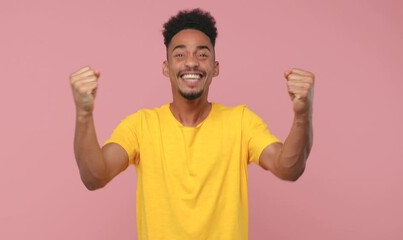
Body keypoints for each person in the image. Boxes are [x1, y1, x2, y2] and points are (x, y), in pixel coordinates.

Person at [69, 8, 314, 240]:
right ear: (166, 68)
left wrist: (302, 114)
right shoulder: (141, 125)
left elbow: (288, 168)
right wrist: (84, 114)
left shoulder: (241, 122)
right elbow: (94, 177)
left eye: (202, 54)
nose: (191, 62)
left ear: (215, 68)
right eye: (179, 54)